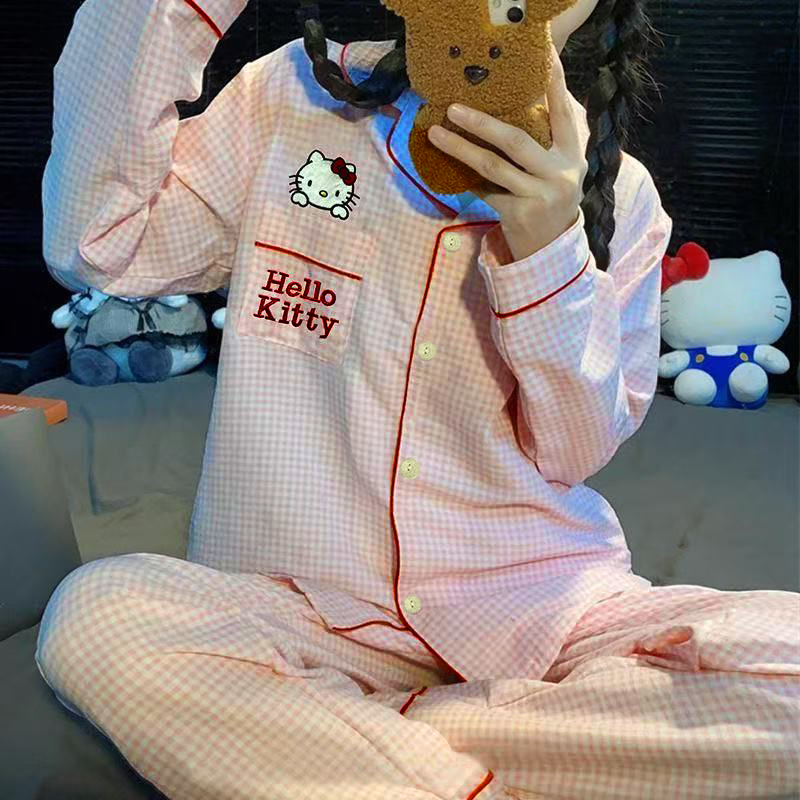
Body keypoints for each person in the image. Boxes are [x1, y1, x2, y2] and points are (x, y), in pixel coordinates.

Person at [35, 0, 800, 798]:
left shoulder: (625, 199)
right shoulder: (293, 98)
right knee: (98, 617)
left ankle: (362, 733)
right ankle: (452, 746)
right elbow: (102, 246)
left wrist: (549, 251)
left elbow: (573, 449)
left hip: (542, 613)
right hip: (300, 614)